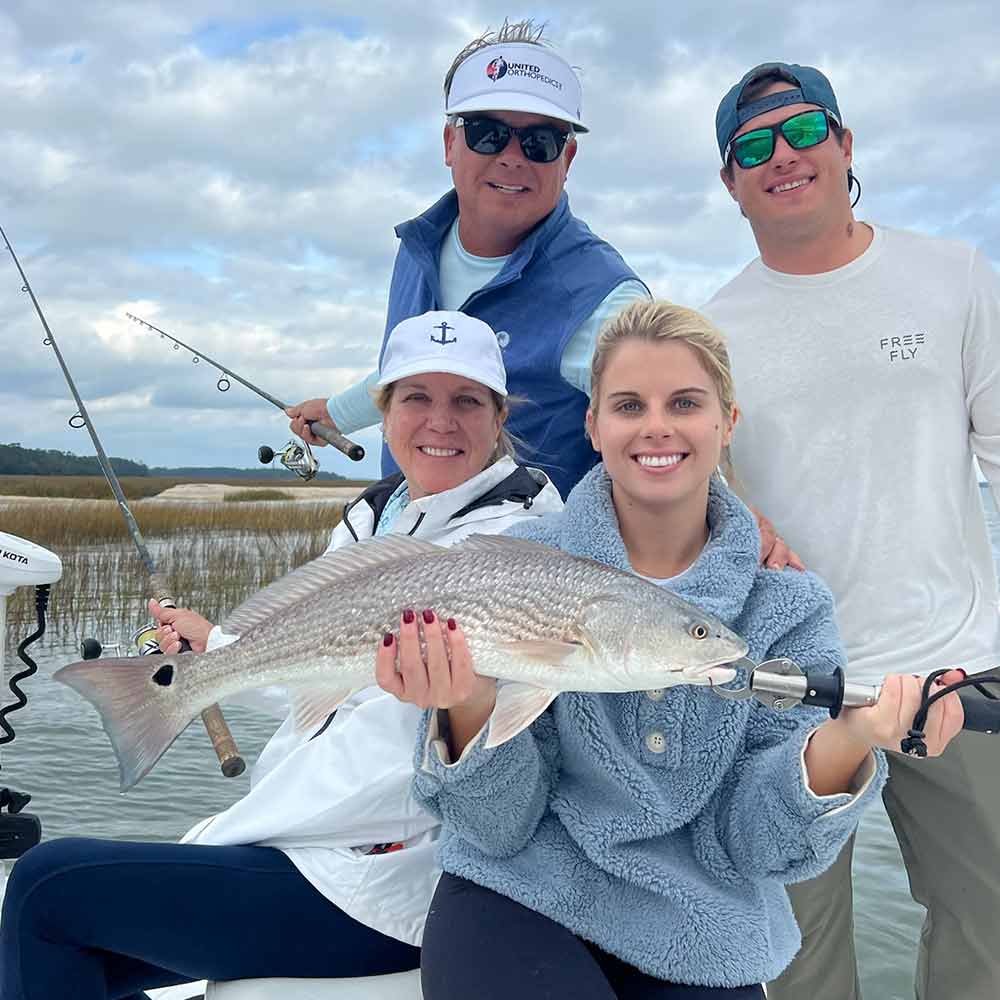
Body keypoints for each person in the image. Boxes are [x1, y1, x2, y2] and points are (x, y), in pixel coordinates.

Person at [376, 300, 966, 999]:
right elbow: (495, 829)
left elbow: (759, 847)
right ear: (593, 426)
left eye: (685, 402)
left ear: (728, 422)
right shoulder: (514, 566)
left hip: (704, 925)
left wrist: (849, 740)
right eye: (629, 405)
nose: (657, 426)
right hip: (517, 893)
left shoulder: (789, 608)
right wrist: (469, 707)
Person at [0, 310, 564, 999]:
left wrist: (250, 830)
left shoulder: (520, 539)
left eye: (467, 400)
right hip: (306, 849)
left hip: (380, 877)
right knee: (62, 947)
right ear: (384, 412)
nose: (440, 421)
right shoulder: (377, 514)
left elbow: (397, 755)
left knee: (44, 891)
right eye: (416, 396)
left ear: (499, 416)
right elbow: (322, 676)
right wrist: (219, 650)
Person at [702, 62, 1000, 1000]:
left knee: (988, 931)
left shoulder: (951, 274)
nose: (782, 156)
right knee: (796, 964)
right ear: (730, 182)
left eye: (802, 131)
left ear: (844, 143)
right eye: (753, 147)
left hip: (959, 669)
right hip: (788, 687)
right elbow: (691, 493)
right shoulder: (711, 332)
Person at [287, 18, 649, 498]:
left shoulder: (606, 299)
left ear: (569, 159)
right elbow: (412, 367)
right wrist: (338, 413)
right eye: (487, 133)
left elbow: (666, 429)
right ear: (449, 143)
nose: (513, 157)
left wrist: (727, 515)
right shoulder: (416, 251)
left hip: (525, 568)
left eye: (541, 141)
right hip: (402, 542)